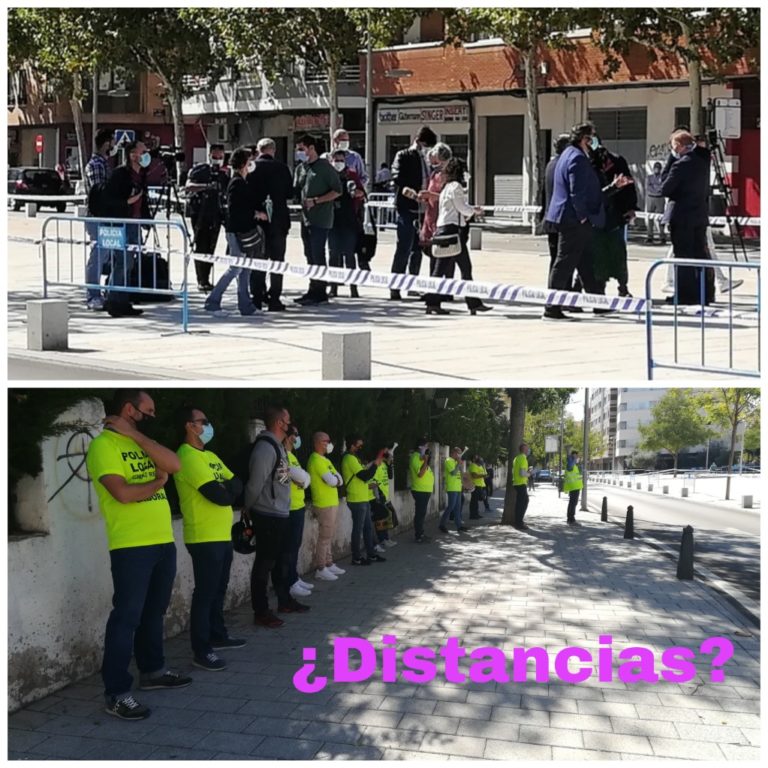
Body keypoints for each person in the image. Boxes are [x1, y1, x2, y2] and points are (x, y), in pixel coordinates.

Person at [85, 390, 190, 721]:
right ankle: (116, 693)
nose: (152, 417)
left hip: (162, 542)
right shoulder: (104, 446)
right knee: (126, 618)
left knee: (154, 612)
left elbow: (174, 465)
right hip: (131, 546)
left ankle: (153, 670)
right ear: (129, 409)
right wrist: (158, 485)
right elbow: (122, 493)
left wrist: (136, 436)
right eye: (148, 411)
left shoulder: (139, 442)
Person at [174, 405, 245, 672]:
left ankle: (217, 634)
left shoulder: (211, 456)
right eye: (203, 421)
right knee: (205, 593)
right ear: (189, 426)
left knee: (219, 588)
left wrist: (228, 488)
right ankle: (201, 650)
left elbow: (237, 484)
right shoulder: (187, 456)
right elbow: (220, 495)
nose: (208, 426)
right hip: (203, 537)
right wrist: (227, 489)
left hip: (221, 535)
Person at [245, 406, 309, 629]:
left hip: (281, 512)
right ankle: (261, 611)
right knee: (264, 564)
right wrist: (247, 507)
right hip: (267, 513)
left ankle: (284, 600)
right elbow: (255, 483)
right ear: (280, 423)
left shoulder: (279, 447)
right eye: (288, 420)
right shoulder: (265, 448)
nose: (291, 424)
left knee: (281, 561)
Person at [543, 122, 608, 321]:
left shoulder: (567, 154)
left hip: (570, 217)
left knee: (585, 262)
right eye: (592, 137)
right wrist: (582, 216)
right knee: (564, 262)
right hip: (573, 219)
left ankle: (599, 303)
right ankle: (552, 308)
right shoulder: (577, 158)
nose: (594, 142)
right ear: (584, 139)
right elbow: (576, 192)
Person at [423, 158, 491, 315]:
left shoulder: (446, 187)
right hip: (452, 232)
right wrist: (474, 211)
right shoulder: (456, 187)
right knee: (454, 269)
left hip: (445, 229)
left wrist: (469, 210)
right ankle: (437, 303)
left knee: (451, 268)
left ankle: (471, 303)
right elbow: (461, 208)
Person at [204, 147, 265, 317]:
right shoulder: (237, 183)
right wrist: (255, 214)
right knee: (236, 268)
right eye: (249, 160)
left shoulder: (243, 181)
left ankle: (246, 305)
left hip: (242, 230)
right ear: (244, 163)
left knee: (245, 269)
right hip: (237, 231)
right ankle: (212, 301)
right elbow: (236, 209)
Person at [661, 129, 715, 305]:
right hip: (699, 215)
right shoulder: (702, 161)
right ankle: (705, 293)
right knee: (700, 254)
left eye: (673, 146)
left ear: (678, 146)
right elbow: (704, 151)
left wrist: (671, 159)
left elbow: (664, 188)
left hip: (682, 216)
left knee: (683, 256)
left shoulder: (680, 164)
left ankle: (685, 295)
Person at [102, 140, 152, 318]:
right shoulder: (120, 174)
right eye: (143, 152)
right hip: (120, 223)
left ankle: (123, 301)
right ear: (132, 155)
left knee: (129, 264)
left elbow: (142, 199)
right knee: (122, 263)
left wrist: (147, 220)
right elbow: (110, 199)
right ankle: (113, 301)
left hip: (134, 223)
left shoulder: (142, 174)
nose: (146, 155)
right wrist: (127, 202)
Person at [293, 134, 342, 305]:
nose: (299, 153)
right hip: (305, 218)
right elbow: (297, 188)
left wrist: (316, 200)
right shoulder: (301, 168)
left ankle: (320, 291)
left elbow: (337, 191)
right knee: (309, 254)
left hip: (321, 218)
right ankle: (312, 288)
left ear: (311, 148)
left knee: (318, 253)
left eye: (302, 149)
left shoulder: (325, 167)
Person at [389, 125, 437, 299]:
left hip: (424, 209)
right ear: (418, 141)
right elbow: (397, 176)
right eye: (425, 145)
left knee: (419, 248)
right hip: (407, 206)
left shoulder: (429, 159)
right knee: (404, 246)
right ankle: (395, 286)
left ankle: (413, 284)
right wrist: (411, 192)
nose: (426, 149)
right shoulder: (404, 155)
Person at [247, 137, 294, 311]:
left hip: (257, 221)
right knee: (277, 260)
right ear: (273, 150)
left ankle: (257, 297)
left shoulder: (251, 167)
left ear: (259, 150)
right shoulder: (282, 168)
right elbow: (290, 193)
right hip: (278, 221)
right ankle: (275, 298)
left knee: (258, 260)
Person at [590, 144, 637, 298]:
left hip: (616, 215)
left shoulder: (618, 161)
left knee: (618, 254)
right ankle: (597, 288)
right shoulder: (589, 164)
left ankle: (623, 286)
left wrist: (631, 207)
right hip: (597, 218)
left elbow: (629, 186)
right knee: (597, 255)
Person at [185, 144, 229, 292]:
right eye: (215, 157)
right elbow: (188, 186)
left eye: (220, 157)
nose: (217, 160)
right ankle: (201, 279)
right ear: (209, 156)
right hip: (200, 213)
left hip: (216, 214)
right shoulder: (200, 169)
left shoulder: (224, 173)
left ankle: (207, 279)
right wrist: (207, 186)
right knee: (201, 247)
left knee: (211, 248)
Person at [84, 127, 117, 311]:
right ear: (106, 143)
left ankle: (106, 292)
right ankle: (93, 295)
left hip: (106, 216)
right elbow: (99, 191)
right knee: (97, 256)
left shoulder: (104, 163)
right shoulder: (96, 164)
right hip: (97, 217)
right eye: (112, 141)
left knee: (106, 255)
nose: (114, 145)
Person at [342, 435, 387, 566]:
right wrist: (375, 464)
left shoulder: (355, 459)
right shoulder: (349, 458)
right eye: (359, 445)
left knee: (368, 528)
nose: (361, 448)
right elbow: (365, 476)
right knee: (358, 529)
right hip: (356, 500)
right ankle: (356, 557)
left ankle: (371, 554)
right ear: (352, 445)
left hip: (363, 498)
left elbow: (363, 476)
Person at [307, 432, 346, 581]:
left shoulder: (326, 460)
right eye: (326, 441)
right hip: (323, 503)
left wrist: (335, 480)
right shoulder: (315, 459)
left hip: (331, 502)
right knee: (324, 537)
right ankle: (321, 568)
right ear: (318, 443)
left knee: (329, 535)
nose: (329, 444)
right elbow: (331, 480)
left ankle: (329, 563)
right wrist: (335, 480)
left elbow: (339, 479)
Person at [328, 149, 366, 298]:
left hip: (349, 219)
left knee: (349, 254)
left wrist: (356, 192)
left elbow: (362, 193)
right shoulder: (328, 175)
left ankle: (353, 288)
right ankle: (333, 287)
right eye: (336, 160)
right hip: (332, 219)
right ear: (331, 161)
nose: (339, 163)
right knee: (333, 253)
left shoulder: (351, 175)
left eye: (341, 160)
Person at [283, 425, 314, 599]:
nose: (298, 437)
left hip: (299, 506)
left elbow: (306, 479)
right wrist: (302, 479)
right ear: (288, 437)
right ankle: (289, 582)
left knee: (295, 545)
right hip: (289, 508)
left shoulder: (293, 456)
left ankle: (294, 577)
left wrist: (302, 480)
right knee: (289, 548)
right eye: (296, 434)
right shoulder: (283, 455)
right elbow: (301, 478)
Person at [542, 133, 572, 273]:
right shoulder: (564, 165)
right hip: (563, 221)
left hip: (551, 219)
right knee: (563, 261)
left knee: (555, 259)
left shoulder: (550, 165)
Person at [409, 437, 435, 543]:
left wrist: (425, 460)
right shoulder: (415, 457)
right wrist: (426, 461)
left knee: (422, 513)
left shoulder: (421, 457)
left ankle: (421, 533)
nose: (427, 448)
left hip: (425, 490)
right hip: (420, 490)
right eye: (426, 446)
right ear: (420, 447)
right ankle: (418, 536)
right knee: (420, 513)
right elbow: (420, 474)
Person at [439, 446, 467, 533]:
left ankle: (459, 526)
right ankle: (442, 524)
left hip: (458, 487)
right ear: (454, 453)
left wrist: (460, 465)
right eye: (458, 453)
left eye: (460, 453)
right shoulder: (448, 460)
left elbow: (460, 473)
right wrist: (458, 463)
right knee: (451, 506)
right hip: (452, 488)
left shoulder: (455, 461)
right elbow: (453, 473)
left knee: (457, 508)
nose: (459, 455)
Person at [373, 448, 398, 548]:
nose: (391, 456)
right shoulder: (377, 465)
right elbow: (374, 482)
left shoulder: (384, 464)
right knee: (380, 518)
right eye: (389, 454)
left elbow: (390, 476)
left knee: (386, 517)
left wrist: (390, 463)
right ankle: (382, 539)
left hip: (385, 495)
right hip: (379, 496)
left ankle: (386, 538)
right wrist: (378, 496)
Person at [645, 162, 667, 245]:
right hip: (650, 198)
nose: (656, 170)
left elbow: (663, 187)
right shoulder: (649, 177)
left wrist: (657, 189)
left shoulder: (663, 177)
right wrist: (656, 189)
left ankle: (662, 236)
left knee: (660, 218)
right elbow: (648, 187)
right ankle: (650, 236)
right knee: (650, 217)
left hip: (660, 199)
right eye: (655, 168)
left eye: (658, 168)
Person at [512, 443, 532, 530]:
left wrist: (527, 471)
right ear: (524, 450)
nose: (528, 450)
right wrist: (529, 473)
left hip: (517, 483)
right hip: (521, 483)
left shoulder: (517, 458)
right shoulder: (523, 459)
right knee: (522, 503)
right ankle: (519, 523)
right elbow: (522, 473)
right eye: (527, 449)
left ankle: (518, 521)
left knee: (521, 503)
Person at [563, 450, 583, 525]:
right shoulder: (570, 463)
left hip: (575, 487)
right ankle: (571, 519)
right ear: (574, 456)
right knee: (573, 503)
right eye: (576, 456)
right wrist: (574, 459)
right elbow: (570, 466)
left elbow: (579, 474)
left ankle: (570, 518)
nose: (578, 457)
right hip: (573, 487)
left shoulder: (574, 465)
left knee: (573, 503)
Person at [467, 454, 487, 519]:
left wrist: (483, 467)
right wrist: (482, 475)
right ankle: (473, 515)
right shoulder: (473, 465)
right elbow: (474, 476)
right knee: (474, 501)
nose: (482, 461)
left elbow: (485, 474)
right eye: (480, 460)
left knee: (476, 500)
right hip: (475, 485)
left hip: (480, 485)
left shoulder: (481, 466)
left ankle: (476, 513)